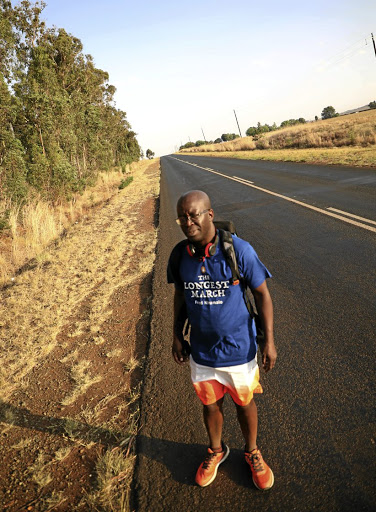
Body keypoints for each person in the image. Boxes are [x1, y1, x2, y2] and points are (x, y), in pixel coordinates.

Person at [167, 190, 277, 491]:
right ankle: (216, 451)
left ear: (210, 215)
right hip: (202, 353)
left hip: (239, 351)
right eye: (182, 217)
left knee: (244, 403)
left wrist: (269, 341)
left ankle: (252, 451)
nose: (188, 222)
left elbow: (262, 294)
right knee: (210, 405)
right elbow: (179, 295)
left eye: (194, 215)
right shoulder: (180, 255)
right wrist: (176, 334)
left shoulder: (238, 250)